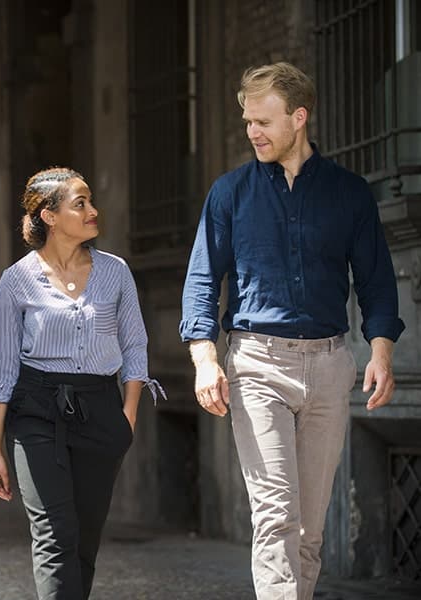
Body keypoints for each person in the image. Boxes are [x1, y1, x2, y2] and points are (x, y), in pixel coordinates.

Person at [180, 62, 404, 600]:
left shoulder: (349, 194)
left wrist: (380, 352)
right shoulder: (229, 194)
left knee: (307, 526)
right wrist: (205, 360)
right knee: (276, 513)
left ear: (298, 118)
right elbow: (202, 281)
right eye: (247, 120)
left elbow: (375, 279)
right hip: (257, 364)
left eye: (263, 120)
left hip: (329, 366)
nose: (252, 131)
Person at [0, 167, 162, 599]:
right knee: (53, 535)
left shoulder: (115, 272)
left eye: (90, 201)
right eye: (79, 203)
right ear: (48, 215)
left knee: (83, 540)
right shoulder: (16, 280)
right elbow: (4, 370)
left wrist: (127, 417)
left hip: (100, 408)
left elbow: (135, 346)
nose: (93, 211)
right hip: (35, 411)